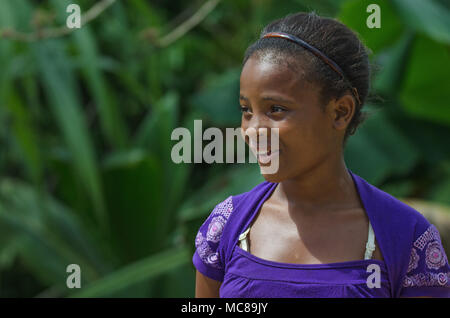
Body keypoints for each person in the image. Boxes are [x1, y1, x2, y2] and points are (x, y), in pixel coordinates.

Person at [192, 12, 450, 298]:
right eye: (246, 111)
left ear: (340, 111)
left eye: (276, 109)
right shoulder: (228, 227)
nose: (253, 130)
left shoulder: (405, 237)